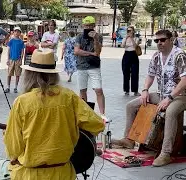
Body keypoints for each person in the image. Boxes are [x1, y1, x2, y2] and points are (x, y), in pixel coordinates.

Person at [0, 49, 105, 180]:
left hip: (29, 175)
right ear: (53, 74)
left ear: (29, 75)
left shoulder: (22, 102)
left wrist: (9, 135)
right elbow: (97, 124)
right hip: (63, 173)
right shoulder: (69, 97)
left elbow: (13, 151)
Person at [112, 30, 186, 167]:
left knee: (170, 112)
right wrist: (145, 90)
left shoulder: (179, 55)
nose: (159, 43)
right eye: (156, 41)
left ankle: (166, 153)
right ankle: (129, 139)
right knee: (131, 105)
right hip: (161, 94)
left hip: (180, 96)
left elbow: (185, 80)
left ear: (171, 40)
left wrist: (169, 98)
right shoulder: (156, 56)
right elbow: (150, 75)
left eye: (162, 40)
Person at [74, 16, 108, 122]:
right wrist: (90, 53)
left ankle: (102, 114)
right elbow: (76, 51)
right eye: (86, 26)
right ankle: (84, 112)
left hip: (94, 66)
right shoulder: (79, 37)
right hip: (81, 66)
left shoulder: (99, 37)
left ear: (94, 26)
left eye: (90, 26)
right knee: (82, 90)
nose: (88, 28)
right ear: (83, 26)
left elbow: (98, 52)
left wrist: (95, 39)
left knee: (98, 89)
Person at [121, 26, 141, 96]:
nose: (129, 32)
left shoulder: (136, 38)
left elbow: (135, 46)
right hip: (126, 55)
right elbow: (122, 46)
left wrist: (132, 38)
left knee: (135, 73)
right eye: (128, 31)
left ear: (133, 31)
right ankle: (126, 90)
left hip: (134, 55)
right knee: (125, 73)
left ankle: (135, 90)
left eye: (130, 30)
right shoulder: (125, 38)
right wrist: (126, 38)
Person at [4, 27, 25, 93]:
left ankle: (15, 87)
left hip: (18, 59)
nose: (16, 33)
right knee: (9, 74)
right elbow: (9, 50)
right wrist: (8, 59)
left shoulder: (21, 42)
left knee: (17, 74)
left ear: (20, 33)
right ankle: (8, 87)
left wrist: (21, 60)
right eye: (15, 31)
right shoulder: (11, 41)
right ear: (13, 32)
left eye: (18, 31)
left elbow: (22, 51)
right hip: (11, 59)